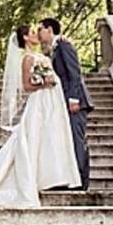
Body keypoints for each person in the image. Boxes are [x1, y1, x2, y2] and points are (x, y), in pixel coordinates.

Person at [0, 25, 82, 208]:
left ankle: (47, 177)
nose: (37, 34)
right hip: (39, 102)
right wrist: (44, 83)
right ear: (25, 38)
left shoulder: (44, 56)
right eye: (32, 32)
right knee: (29, 141)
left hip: (51, 103)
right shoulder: (27, 59)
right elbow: (26, 86)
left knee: (49, 139)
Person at [37, 17, 95, 191]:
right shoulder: (53, 49)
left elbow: (74, 73)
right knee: (69, 140)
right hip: (62, 102)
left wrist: (74, 99)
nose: (39, 34)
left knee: (77, 140)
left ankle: (82, 182)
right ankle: (72, 178)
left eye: (40, 29)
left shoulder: (64, 45)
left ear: (49, 29)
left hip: (75, 101)